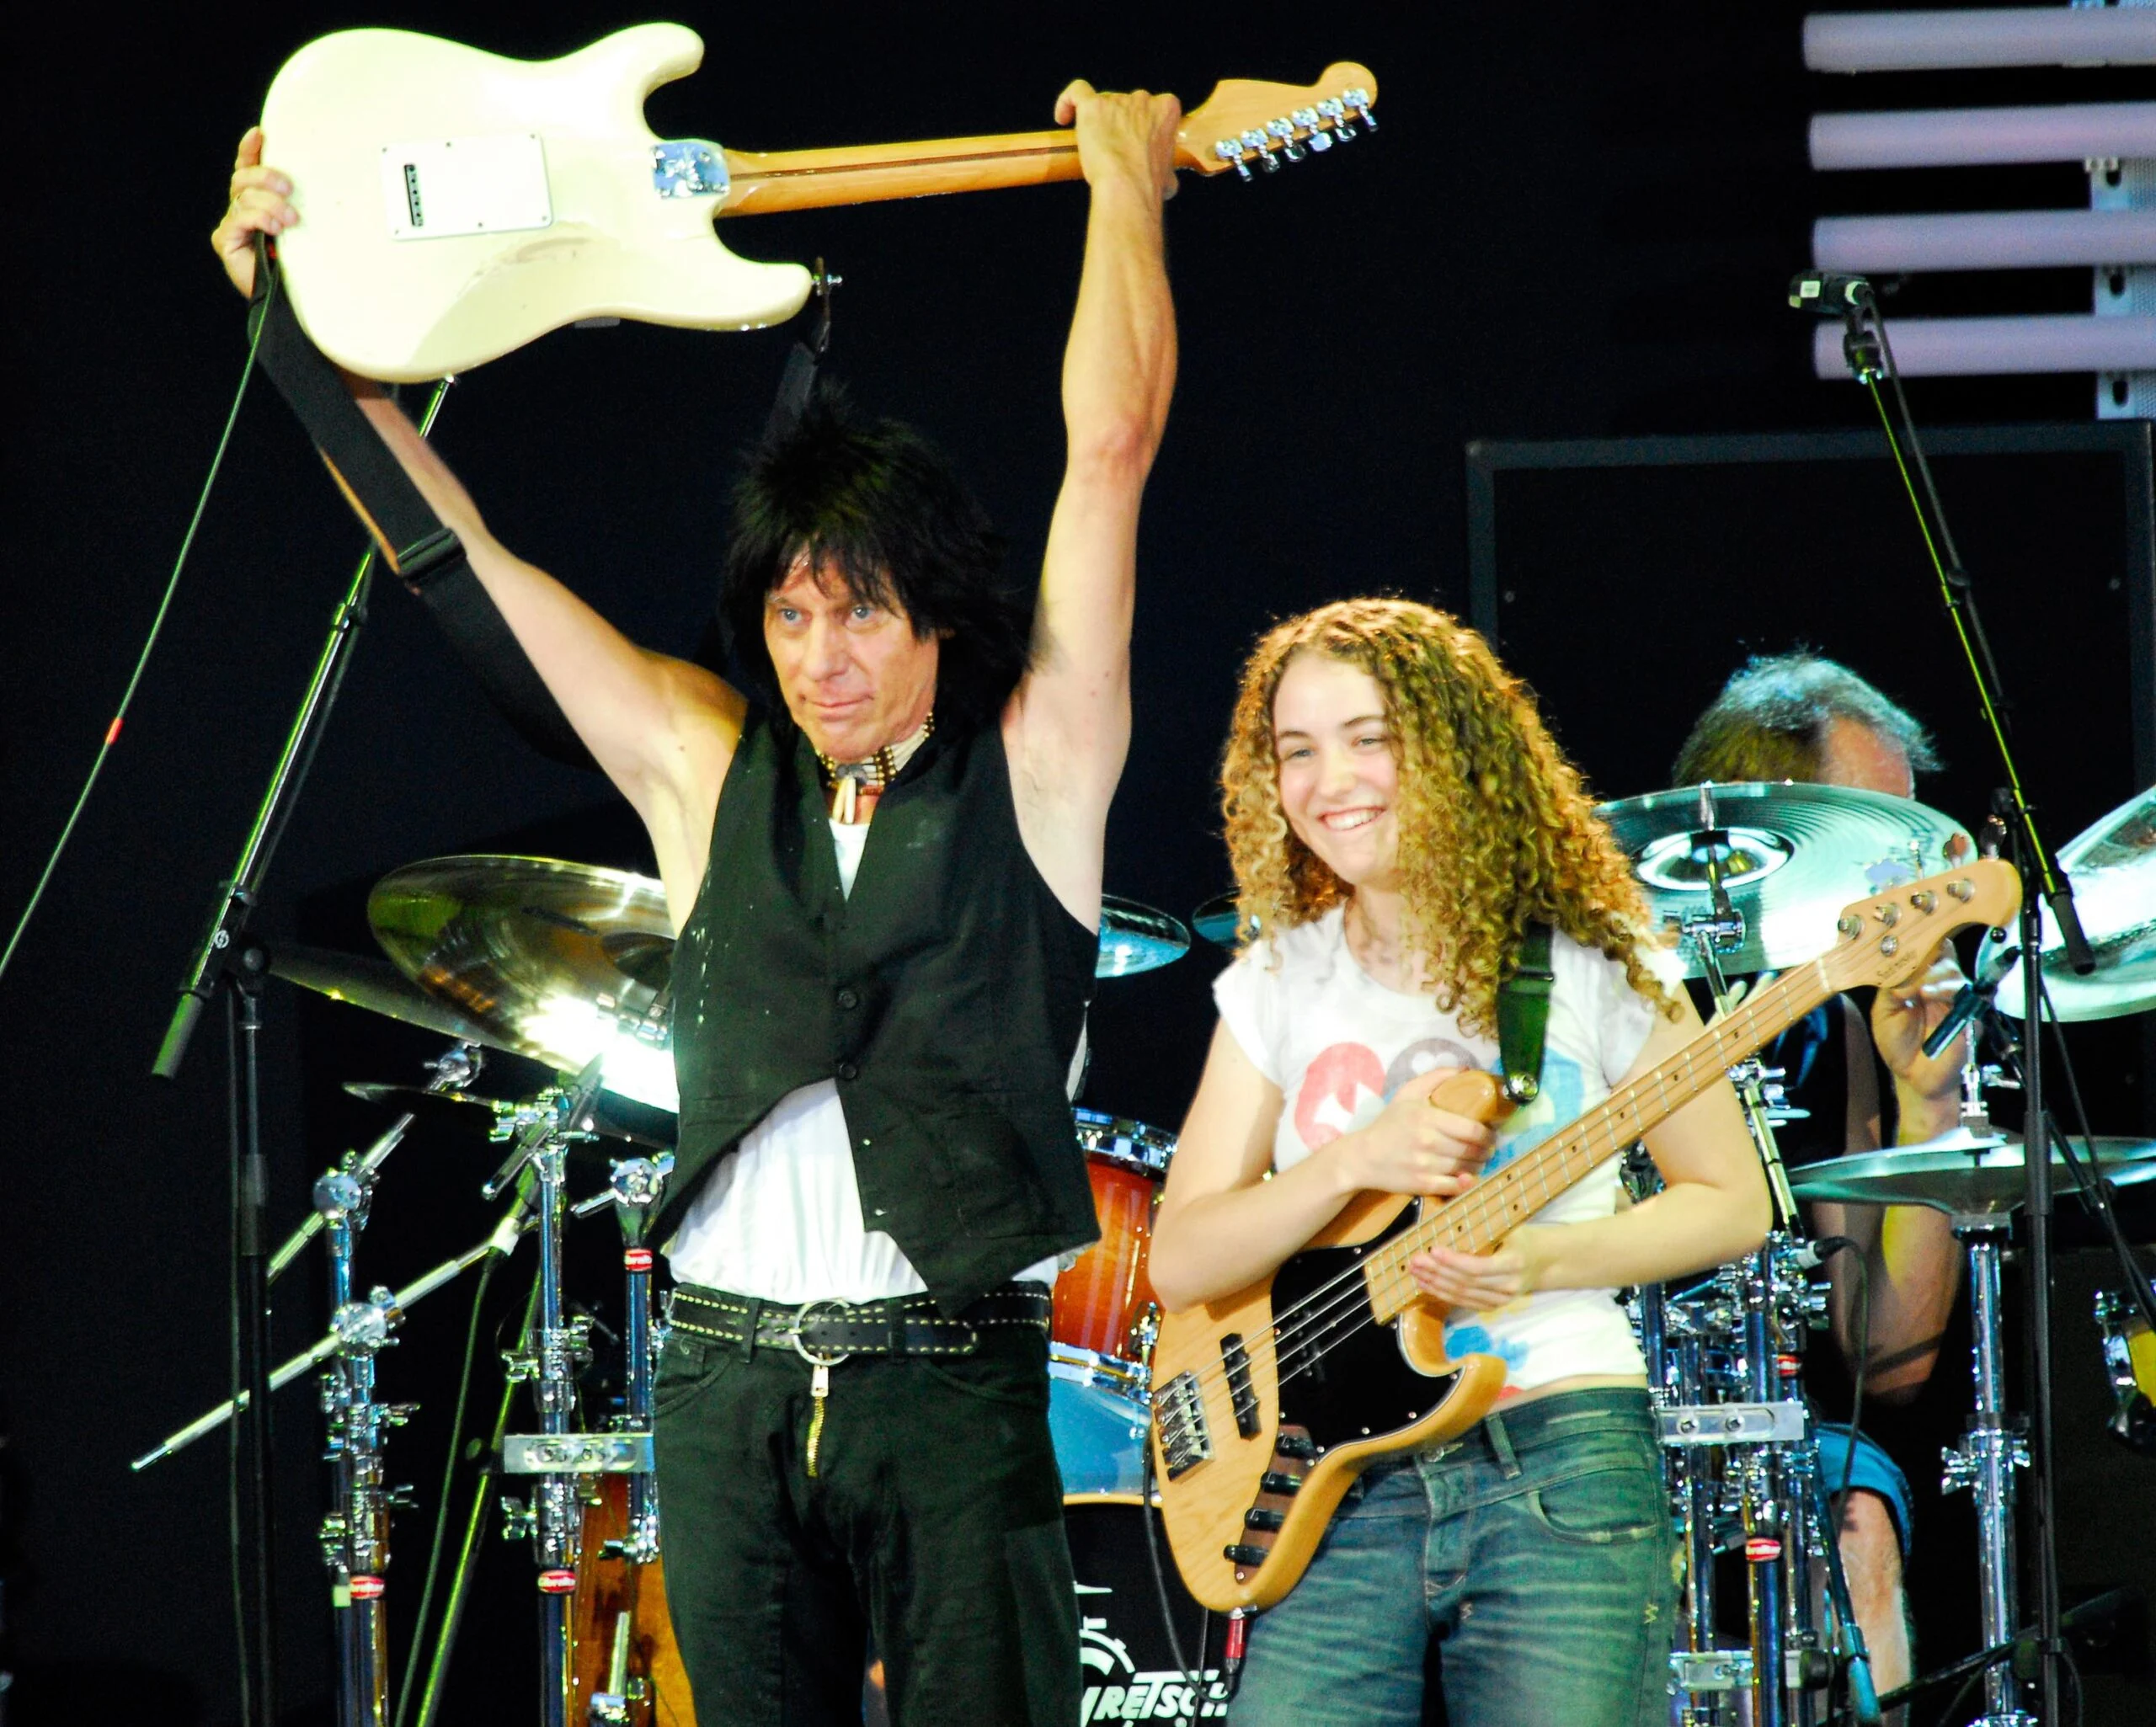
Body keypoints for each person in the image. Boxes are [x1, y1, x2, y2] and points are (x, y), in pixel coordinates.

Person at [213, 80, 1179, 1726]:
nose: (827, 652)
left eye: (864, 611)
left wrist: (1124, 187)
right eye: (795, 616)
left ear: (938, 619)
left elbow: (1107, 452)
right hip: (727, 1380)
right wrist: (290, 322)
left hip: (950, 1377)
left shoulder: (1038, 764)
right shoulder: (704, 767)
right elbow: (461, 565)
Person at [1146, 598, 1770, 1727]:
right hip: (1337, 1486)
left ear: (1455, 748)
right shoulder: (1277, 981)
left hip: (1562, 1451)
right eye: (1297, 749)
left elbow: (1732, 1199)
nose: (1330, 777)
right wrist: (1356, 1161)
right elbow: (1183, 1257)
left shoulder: (1594, 958)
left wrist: (1546, 1257)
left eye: (1369, 735)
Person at [1673, 651, 1971, 1711]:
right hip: (1587, 1421)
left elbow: (1884, 1361)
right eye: (1881, 842)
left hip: (1787, 1423)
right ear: (1774, 835)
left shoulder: (1830, 1026)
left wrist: (1925, 1104)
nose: (1911, 878)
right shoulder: (1609, 994)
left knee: (1860, 1525)